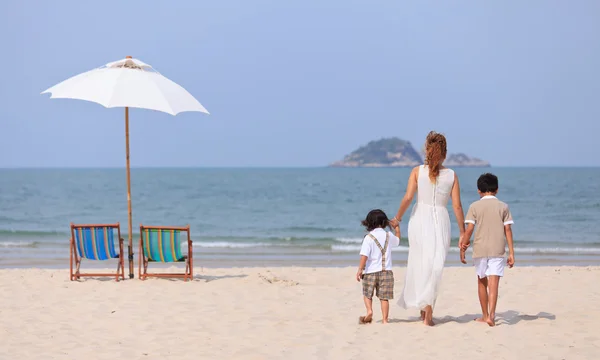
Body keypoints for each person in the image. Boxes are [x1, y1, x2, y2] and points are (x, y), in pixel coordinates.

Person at [389, 131, 466, 326]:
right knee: (435, 266)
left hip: (419, 219)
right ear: (445, 153)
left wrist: (397, 218)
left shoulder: (417, 171)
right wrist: (463, 232)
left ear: (427, 150)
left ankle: (425, 310)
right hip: (441, 220)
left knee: (423, 263)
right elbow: (457, 206)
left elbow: (407, 198)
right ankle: (427, 312)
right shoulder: (452, 175)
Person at [459, 173, 515, 327]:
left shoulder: (474, 206)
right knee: (494, 283)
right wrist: (511, 252)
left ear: (479, 190)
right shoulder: (503, 206)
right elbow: (508, 230)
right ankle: (492, 315)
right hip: (497, 248)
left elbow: (469, 230)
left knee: (482, 282)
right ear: (496, 189)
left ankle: (484, 315)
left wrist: (463, 248)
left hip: (480, 248)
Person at [356, 209, 401, 324]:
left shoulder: (369, 238)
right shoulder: (388, 235)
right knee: (384, 298)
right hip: (386, 272)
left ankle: (369, 311)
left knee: (367, 294)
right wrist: (397, 228)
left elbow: (364, 256)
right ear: (384, 222)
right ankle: (385, 320)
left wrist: (360, 269)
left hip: (370, 272)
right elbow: (398, 241)